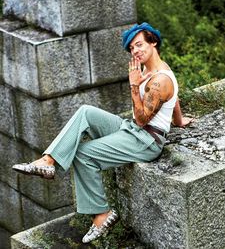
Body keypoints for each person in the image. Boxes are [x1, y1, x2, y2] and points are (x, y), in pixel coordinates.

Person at [12, 22, 193, 243]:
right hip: (134, 130)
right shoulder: (152, 69)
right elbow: (174, 99)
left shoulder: (160, 80)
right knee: (86, 112)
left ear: (153, 42)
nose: (135, 51)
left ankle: (102, 213)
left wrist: (134, 86)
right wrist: (179, 120)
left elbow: (142, 118)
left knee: (83, 154)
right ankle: (48, 161)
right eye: (132, 49)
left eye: (139, 45)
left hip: (146, 140)